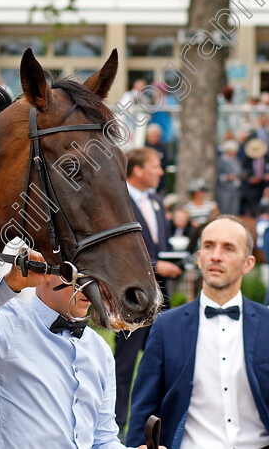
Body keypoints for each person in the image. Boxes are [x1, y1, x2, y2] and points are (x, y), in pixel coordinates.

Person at [127, 216, 269, 448]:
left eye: (228, 248)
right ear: (198, 258)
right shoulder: (167, 326)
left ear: (248, 263)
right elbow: (144, 407)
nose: (216, 255)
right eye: (209, 246)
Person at [0, 249, 159, 449]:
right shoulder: (6, 324)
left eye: (96, 277)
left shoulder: (100, 349)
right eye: (79, 276)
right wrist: (8, 285)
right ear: (44, 272)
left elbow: (103, 440)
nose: (90, 288)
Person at [114, 147, 181, 434]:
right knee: (125, 366)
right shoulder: (118, 200)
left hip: (160, 297)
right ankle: (115, 424)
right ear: (138, 170)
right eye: (156, 166)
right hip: (132, 297)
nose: (161, 171)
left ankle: (158, 423)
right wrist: (155, 266)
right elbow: (117, 249)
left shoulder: (155, 200)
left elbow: (157, 243)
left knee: (164, 361)